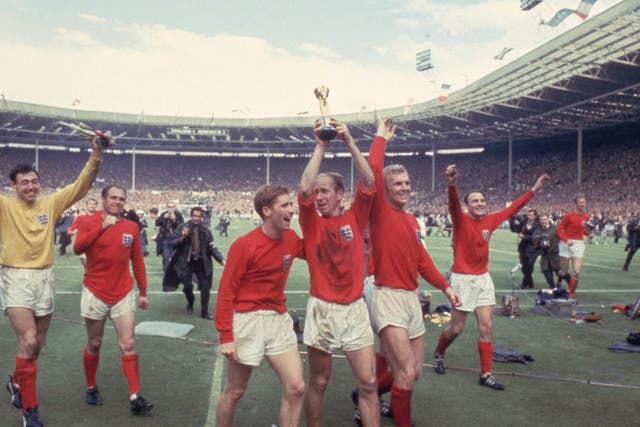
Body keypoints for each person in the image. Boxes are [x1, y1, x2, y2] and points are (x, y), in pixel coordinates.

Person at [0, 135, 103, 427]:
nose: (30, 186)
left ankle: (16, 383)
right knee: (29, 340)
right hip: (16, 277)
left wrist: (96, 156)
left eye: (34, 181)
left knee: (38, 344)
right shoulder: (5, 206)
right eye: (24, 183)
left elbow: (80, 186)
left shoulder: (50, 203)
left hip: (45, 277)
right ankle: (29, 412)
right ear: (14, 186)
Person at [366, 120, 460, 427]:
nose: (405, 187)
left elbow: (422, 259)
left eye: (407, 183)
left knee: (413, 372)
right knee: (405, 372)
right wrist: (381, 139)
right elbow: (374, 168)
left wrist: (446, 287)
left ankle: (365, 395)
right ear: (386, 188)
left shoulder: (410, 220)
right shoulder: (379, 210)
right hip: (388, 297)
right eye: (398, 184)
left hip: (410, 299)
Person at [298, 115, 385, 427]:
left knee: (369, 383)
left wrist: (349, 141)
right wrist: (321, 145)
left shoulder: (356, 216)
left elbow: (371, 181)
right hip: (321, 310)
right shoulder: (311, 222)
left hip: (354, 310)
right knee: (319, 383)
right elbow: (304, 189)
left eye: (325, 192)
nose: (318, 197)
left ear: (340, 194)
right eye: (317, 192)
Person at [432, 164, 549, 391]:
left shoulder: (491, 220)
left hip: (483, 279)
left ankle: (486, 374)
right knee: (457, 328)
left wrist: (535, 188)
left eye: (482, 200)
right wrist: (452, 184)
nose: (479, 203)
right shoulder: (460, 219)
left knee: (487, 327)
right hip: (462, 279)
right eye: (474, 201)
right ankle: (439, 353)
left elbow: (516, 206)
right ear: (467, 206)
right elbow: (453, 203)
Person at [214, 184, 306, 427]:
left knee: (296, 388)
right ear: (266, 210)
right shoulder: (244, 245)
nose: (291, 210)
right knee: (235, 391)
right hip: (247, 320)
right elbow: (226, 292)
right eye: (284, 205)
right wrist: (226, 335)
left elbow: (317, 249)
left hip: (278, 319)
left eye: (291, 204)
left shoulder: (291, 238)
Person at [72, 185, 153, 415]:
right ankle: (90, 386)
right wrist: (102, 226)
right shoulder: (89, 221)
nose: (117, 202)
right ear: (103, 199)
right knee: (95, 343)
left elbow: (137, 260)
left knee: (127, 343)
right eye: (113, 198)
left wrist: (144, 291)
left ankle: (135, 396)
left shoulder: (131, 227)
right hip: (95, 290)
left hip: (123, 292)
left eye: (121, 198)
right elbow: (78, 248)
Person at [164, 206, 225, 319]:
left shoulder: (206, 229)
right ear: (191, 216)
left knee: (205, 287)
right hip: (186, 262)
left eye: (199, 216)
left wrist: (221, 260)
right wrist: (182, 237)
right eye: (194, 216)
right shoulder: (182, 227)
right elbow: (172, 243)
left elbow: (211, 247)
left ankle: (204, 311)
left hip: (202, 262)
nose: (196, 218)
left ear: (201, 217)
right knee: (187, 286)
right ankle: (190, 303)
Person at [556, 194, 592, 298]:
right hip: (566, 243)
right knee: (564, 272)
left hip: (578, 244)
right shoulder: (569, 215)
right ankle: (559, 281)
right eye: (580, 202)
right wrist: (566, 240)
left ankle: (571, 294)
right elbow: (559, 230)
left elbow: (582, 229)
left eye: (584, 202)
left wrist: (588, 234)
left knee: (576, 271)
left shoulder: (586, 216)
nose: (583, 204)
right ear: (575, 204)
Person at [68, 198, 99, 268]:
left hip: (96, 244)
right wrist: (70, 231)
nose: (92, 206)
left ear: (96, 206)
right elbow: (72, 227)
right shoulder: (81, 217)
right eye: (90, 204)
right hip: (84, 244)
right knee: (88, 266)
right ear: (86, 205)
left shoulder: (99, 216)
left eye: (94, 204)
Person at [532, 213, 562, 288]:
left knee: (559, 271)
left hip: (555, 254)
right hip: (544, 254)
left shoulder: (555, 228)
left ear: (548, 219)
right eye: (541, 219)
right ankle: (552, 286)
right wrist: (537, 242)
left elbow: (562, 237)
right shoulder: (538, 230)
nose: (543, 221)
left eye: (545, 219)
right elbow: (535, 241)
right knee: (545, 270)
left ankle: (569, 285)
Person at [155, 202, 184, 272]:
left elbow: (182, 225)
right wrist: (163, 218)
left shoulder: (178, 214)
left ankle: (176, 273)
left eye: (172, 207)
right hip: (165, 238)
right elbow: (157, 223)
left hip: (175, 238)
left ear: (175, 207)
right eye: (169, 207)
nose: (170, 208)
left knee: (175, 257)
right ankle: (166, 274)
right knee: (165, 257)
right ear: (167, 207)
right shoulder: (164, 214)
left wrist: (175, 220)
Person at [517, 208, 539, 289]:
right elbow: (516, 228)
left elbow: (535, 236)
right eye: (528, 215)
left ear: (535, 216)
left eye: (531, 215)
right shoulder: (525, 222)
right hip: (523, 247)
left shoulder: (537, 224)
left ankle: (523, 284)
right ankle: (530, 282)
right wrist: (512, 219)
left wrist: (524, 237)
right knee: (524, 266)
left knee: (529, 265)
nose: (529, 216)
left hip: (533, 248)